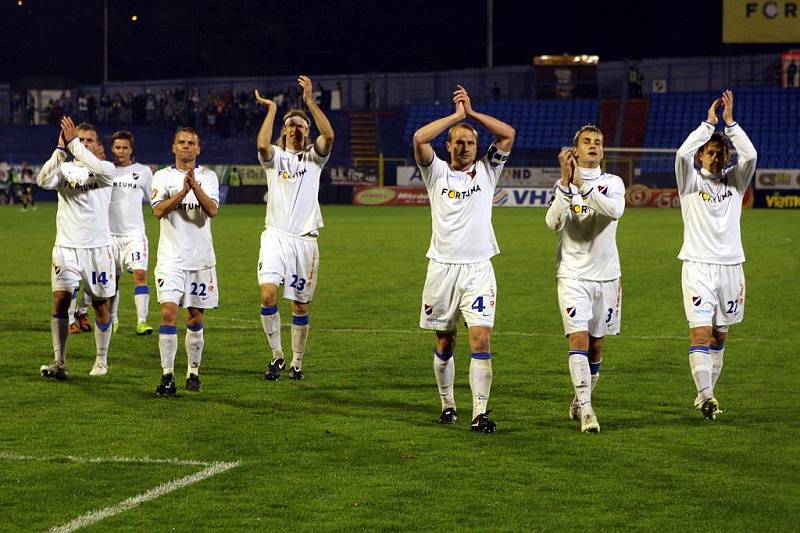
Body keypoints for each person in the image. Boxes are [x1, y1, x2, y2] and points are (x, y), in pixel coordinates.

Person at [412, 85, 514, 433]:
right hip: (442, 268)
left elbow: (508, 134)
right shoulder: (435, 172)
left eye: (470, 142)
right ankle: (448, 404)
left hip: (478, 269)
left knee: (481, 339)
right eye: (459, 141)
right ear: (449, 145)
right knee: (444, 341)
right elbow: (419, 138)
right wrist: (456, 117)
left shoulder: (488, 170)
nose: (465, 147)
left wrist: (472, 115)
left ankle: (479, 413)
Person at [675, 90, 756, 420]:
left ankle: (704, 393)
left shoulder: (736, 183)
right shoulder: (690, 183)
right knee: (701, 332)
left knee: (721, 334)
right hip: (697, 267)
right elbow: (681, 156)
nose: (716, 157)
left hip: (731, 268)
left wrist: (730, 125)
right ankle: (707, 395)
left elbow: (749, 156)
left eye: (721, 153)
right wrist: (708, 126)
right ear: (701, 156)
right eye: (710, 153)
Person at [545, 125, 625, 433]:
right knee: (578, 340)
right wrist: (567, 188)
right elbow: (552, 223)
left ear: (603, 151)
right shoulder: (563, 184)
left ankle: (579, 400)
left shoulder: (613, 182)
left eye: (598, 142)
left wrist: (584, 187)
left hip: (606, 276)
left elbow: (614, 210)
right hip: (573, 274)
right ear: (575, 150)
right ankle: (588, 410)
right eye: (586, 142)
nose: (593, 145)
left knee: (596, 346)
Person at [254, 75, 334, 381]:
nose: (295, 128)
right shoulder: (275, 159)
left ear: (307, 131)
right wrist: (273, 110)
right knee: (268, 296)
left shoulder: (315, 159)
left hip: (305, 241)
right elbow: (263, 144)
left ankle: (297, 362)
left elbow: (330, 135)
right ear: (283, 130)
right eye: (291, 125)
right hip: (275, 237)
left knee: (300, 306)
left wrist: (309, 102)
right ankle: (276, 355)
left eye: (300, 125)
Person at [36, 117, 116, 379]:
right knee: (60, 301)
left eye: (88, 140)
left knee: (100, 305)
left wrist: (73, 143)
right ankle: (59, 362)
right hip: (66, 248)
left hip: (98, 249)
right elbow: (42, 181)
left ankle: (101, 360)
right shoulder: (65, 170)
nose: (82, 144)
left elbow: (102, 172)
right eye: (79, 139)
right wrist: (60, 150)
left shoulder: (105, 168)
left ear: (97, 144)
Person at [150, 128, 220, 396]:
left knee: (195, 317)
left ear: (198, 149)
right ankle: (167, 375)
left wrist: (195, 187)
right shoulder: (162, 176)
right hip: (171, 259)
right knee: (168, 312)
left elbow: (212, 210)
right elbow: (157, 211)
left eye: (191, 143)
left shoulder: (208, 177)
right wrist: (181, 192)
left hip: (201, 260)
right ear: (173, 147)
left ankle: (193, 371)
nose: (186, 147)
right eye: (181, 142)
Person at [108, 130, 155, 335]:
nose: (121, 151)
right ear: (112, 148)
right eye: (117, 147)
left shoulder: (143, 172)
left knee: (140, 274)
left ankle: (141, 321)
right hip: (110, 235)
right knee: (112, 280)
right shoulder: (106, 170)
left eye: (125, 147)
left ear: (131, 149)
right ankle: (113, 320)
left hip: (135, 234)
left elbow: (155, 200)